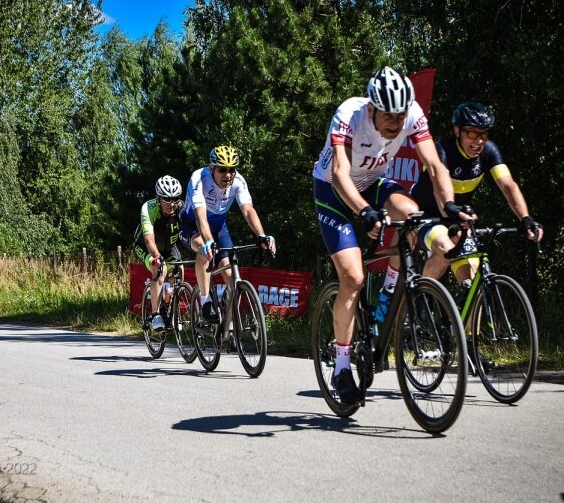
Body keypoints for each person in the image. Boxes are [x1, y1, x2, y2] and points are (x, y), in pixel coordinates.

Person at [312, 66, 469, 404]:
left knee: (411, 214)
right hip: (333, 190)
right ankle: (341, 366)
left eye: (400, 115)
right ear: (371, 108)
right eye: (388, 116)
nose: (396, 123)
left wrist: (450, 208)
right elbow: (340, 173)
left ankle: (389, 294)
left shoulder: (412, 114)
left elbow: (435, 165)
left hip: (373, 183)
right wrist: (364, 212)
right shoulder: (349, 114)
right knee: (353, 278)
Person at [410, 102, 544, 296]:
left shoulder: (489, 151)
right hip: (428, 215)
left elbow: (508, 185)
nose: (479, 141)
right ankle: (421, 297)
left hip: (458, 217)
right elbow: (441, 186)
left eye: (483, 134)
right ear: (457, 131)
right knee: (445, 248)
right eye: (472, 133)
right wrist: (451, 210)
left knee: (473, 283)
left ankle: (468, 326)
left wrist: (526, 218)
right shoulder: (443, 149)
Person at [179, 145, 276, 324]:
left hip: (219, 226)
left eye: (232, 169)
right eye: (222, 169)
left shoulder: (238, 181)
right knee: (203, 248)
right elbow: (200, 216)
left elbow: (247, 210)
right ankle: (205, 300)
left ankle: (228, 321)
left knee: (232, 275)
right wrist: (208, 242)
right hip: (191, 225)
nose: (228, 174)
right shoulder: (199, 179)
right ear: (211, 168)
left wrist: (262, 235)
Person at [132, 175, 184, 331]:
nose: (172, 203)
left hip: (168, 248)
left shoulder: (182, 208)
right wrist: (157, 258)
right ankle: (155, 315)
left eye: (175, 199)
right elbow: (148, 239)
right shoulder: (149, 208)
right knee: (159, 270)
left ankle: (170, 307)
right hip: (145, 246)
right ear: (158, 197)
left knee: (179, 271)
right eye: (167, 199)